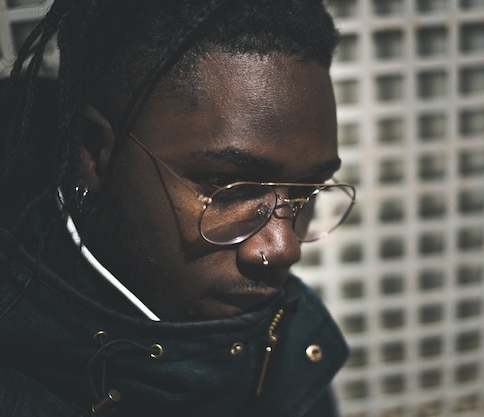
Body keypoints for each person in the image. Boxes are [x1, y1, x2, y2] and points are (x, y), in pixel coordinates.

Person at [0, 1, 356, 416]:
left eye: (309, 190)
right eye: (226, 186)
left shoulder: (287, 342)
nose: (283, 248)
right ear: (93, 153)